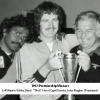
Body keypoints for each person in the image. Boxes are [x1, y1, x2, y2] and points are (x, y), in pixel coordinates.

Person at [12, 1, 79, 100]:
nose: (51, 25)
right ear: (38, 23)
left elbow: (88, 37)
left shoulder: (65, 40)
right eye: (45, 20)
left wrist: (79, 28)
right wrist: (46, 68)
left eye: (55, 19)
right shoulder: (25, 48)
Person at [0, 14, 34, 100]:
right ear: (5, 31)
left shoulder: (20, 55)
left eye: (24, 38)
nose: (20, 40)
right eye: (17, 33)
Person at [71, 11, 100, 100]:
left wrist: (89, 69)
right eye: (79, 30)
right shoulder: (73, 51)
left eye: (88, 31)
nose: (83, 36)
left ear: (98, 32)